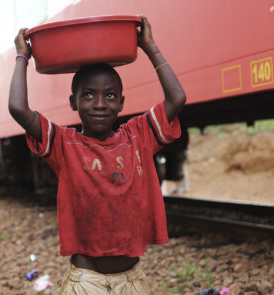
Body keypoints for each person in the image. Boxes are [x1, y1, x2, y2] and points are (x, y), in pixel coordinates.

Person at [9, 15, 186, 294]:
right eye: (89, 95)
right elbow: (18, 109)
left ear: (121, 103)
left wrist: (150, 47)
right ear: (73, 102)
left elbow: (177, 99)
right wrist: (22, 57)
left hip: (131, 281)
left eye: (110, 95)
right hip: (86, 282)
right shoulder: (64, 145)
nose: (100, 104)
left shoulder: (138, 136)